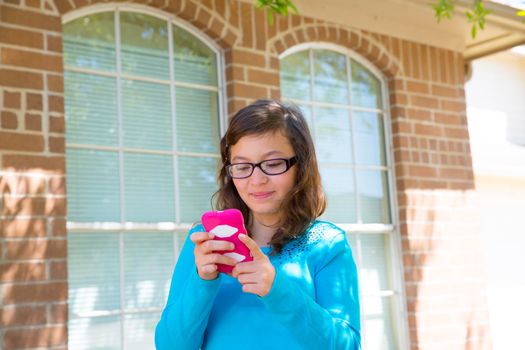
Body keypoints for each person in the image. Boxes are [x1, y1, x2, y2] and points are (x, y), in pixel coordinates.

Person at [155, 99, 361, 349]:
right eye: (242, 166)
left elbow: (347, 345)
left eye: (273, 164)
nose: (257, 179)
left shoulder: (328, 243)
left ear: (301, 166)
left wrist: (276, 289)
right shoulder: (204, 241)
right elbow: (170, 345)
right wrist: (203, 280)